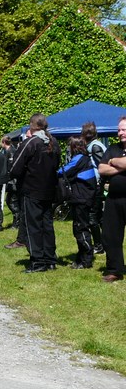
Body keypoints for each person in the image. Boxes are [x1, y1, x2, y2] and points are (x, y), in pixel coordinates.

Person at [9, 113, 61, 273]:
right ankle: (50, 259)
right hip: (49, 190)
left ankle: (38, 262)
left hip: (31, 190)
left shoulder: (31, 142)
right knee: (47, 225)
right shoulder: (53, 142)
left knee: (33, 226)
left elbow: (14, 168)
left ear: (32, 126)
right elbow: (57, 164)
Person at [58, 136, 96, 269]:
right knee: (79, 227)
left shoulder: (79, 159)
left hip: (81, 198)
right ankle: (81, 257)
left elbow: (64, 171)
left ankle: (86, 260)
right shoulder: (85, 158)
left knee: (81, 228)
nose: (68, 148)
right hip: (84, 197)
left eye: (69, 146)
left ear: (74, 147)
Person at [98, 115, 126, 282]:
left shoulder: (113, 155)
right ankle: (115, 270)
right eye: (119, 130)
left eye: (124, 130)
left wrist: (114, 161)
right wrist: (121, 167)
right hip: (114, 199)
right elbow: (102, 169)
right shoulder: (113, 148)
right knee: (110, 235)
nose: (120, 133)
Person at [81, 121, 106, 255]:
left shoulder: (95, 147)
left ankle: (99, 245)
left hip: (96, 186)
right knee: (99, 216)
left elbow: (102, 165)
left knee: (92, 217)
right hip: (97, 185)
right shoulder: (95, 145)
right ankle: (105, 243)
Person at [0, 136, 20, 228]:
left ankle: (17, 222)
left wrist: (8, 177)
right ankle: (17, 221)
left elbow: (12, 167)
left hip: (14, 181)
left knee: (12, 201)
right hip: (12, 180)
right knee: (11, 201)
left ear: (4, 142)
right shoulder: (9, 151)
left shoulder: (11, 152)